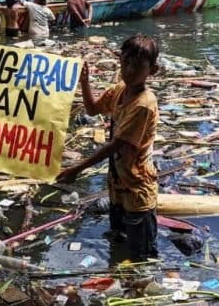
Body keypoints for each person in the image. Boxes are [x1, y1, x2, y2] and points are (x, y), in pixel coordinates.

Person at [57, 34, 160, 261]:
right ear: (119, 60)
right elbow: (93, 109)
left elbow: (117, 145)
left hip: (137, 189)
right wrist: (85, 82)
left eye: (138, 66)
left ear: (153, 70)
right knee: (119, 241)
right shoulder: (119, 90)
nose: (130, 70)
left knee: (142, 256)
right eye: (126, 63)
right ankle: (121, 277)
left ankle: (140, 288)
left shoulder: (144, 104)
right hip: (117, 186)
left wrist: (77, 169)